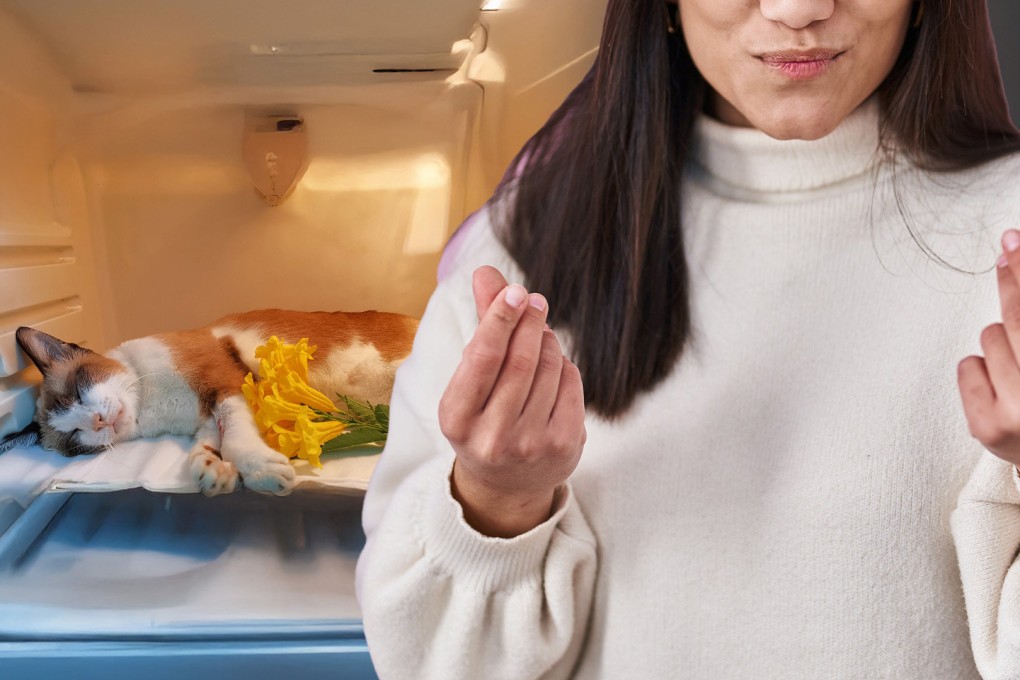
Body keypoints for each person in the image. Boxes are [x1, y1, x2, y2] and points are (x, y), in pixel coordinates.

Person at [355, 0, 1020, 677]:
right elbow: (426, 665)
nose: (799, 10)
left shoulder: (1010, 229)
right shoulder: (527, 248)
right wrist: (497, 502)